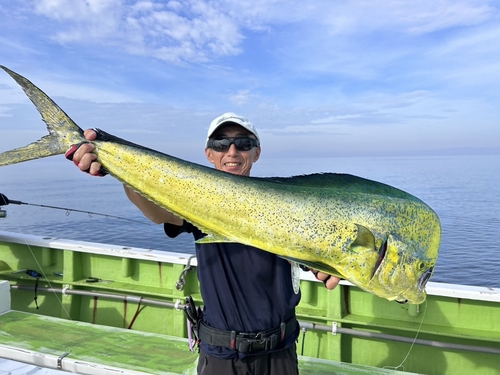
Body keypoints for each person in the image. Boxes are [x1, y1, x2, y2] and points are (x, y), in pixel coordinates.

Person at [68, 112, 340, 375]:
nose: (232, 151)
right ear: (209, 154)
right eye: (220, 143)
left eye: (243, 144)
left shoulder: (285, 207)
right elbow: (157, 211)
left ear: (256, 152)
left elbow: (315, 256)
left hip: (280, 352)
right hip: (223, 356)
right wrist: (116, 167)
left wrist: (326, 265)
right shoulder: (198, 205)